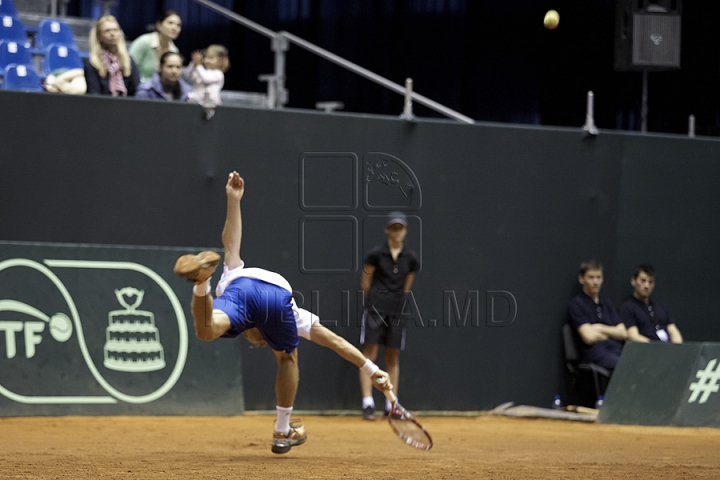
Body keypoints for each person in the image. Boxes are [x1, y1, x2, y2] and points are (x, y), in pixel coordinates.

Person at [174, 172, 392, 455]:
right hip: (274, 295)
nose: (262, 342)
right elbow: (334, 341)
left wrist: (233, 199)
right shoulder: (291, 312)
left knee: (207, 331)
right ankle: (281, 430)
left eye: (259, 342)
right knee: (286, 357)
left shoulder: (232, 277)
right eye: (261, 341)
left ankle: (202, 283)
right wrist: (371, 368)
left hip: (242, 291)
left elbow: (231, 242)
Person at [358, 211, 419, 421]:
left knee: (392, 356)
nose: (396, 232)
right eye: (393, 228)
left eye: (400, 228)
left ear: (405, 231)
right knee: (369, 355)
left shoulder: (411, 259)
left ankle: (391, 404)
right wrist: (374, 301)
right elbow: (365, 282)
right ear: (387, 230)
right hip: (375, 309)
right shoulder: (375, 254)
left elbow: (406, 287)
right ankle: (368, 403)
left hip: (397, 311)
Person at [567, 259, 627, 373]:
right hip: (594, 354)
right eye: (591, 277)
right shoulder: (577, 304)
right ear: (581, 279)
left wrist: (600, 328)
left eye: (598, 277)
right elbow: (589, 337)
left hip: (616, 350)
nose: (595, 282)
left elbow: (623, 333)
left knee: (638, 364)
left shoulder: (606, 303)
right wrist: (612, 333)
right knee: (624, 368)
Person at [619, 264, 683, 344]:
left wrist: (678, 348)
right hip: (646, 351)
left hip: (668, 350)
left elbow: (673, 331)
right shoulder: (628, 308)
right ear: (633, 281)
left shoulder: (661, 307)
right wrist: (657, 348)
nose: (647, 286)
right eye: (643, 280)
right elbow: (633, 336)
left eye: (650, 282)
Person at [83, 15, 140, 96]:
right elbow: (94, 95)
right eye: (107, 31)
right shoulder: (92, 64)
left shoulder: (128, 60)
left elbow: (137, 90)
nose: (112, 34)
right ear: (99, 37)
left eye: (115, 30)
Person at [129, 10, 182, 82]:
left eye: (178, 25)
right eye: (170, 23)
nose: (174, 28)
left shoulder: (174, 50)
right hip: (138, 87)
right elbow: (128, 68)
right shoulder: (143, 42)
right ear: (159, 25)